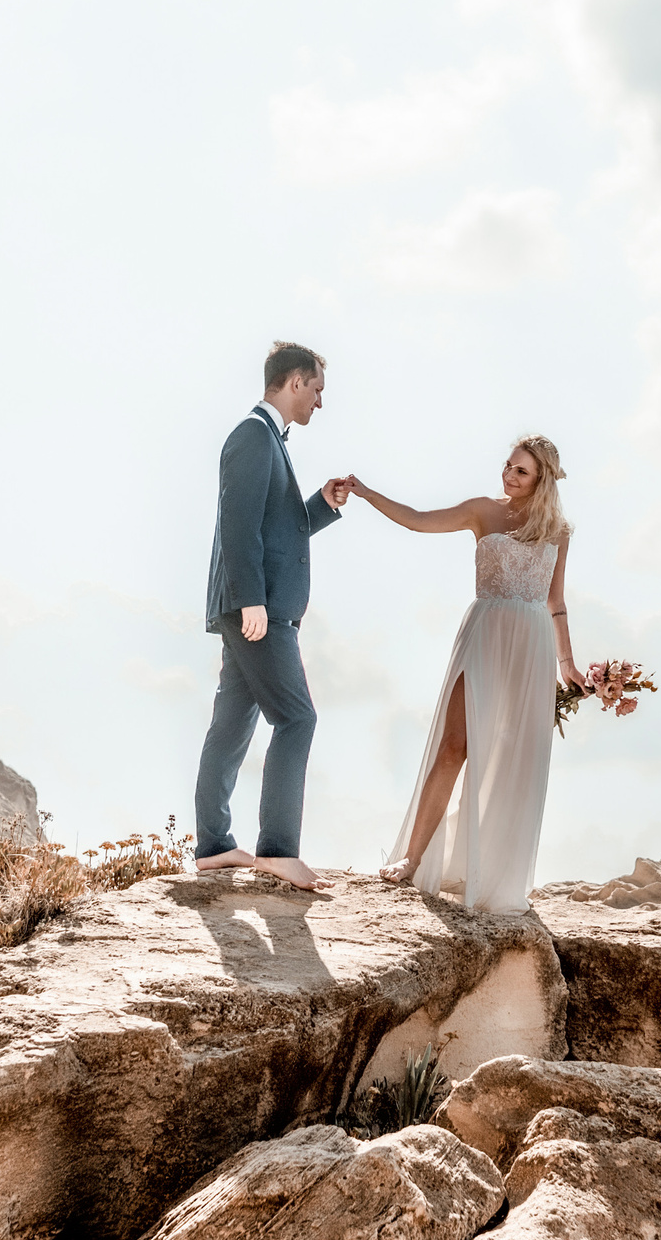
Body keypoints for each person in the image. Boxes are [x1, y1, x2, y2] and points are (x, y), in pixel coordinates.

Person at [340, 437, 583, 913]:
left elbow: (555, 602)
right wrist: (368, 494)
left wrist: (567, 664)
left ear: (542, 480)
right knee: (455, 746)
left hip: (531, 644)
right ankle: (411, 858)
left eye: (521, 472)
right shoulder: (480, 511)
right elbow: (418, 519)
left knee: (515, 759)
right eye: (508, 466)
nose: (508, 477)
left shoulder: (558, 531)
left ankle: (495, 876)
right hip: (486, 632)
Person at [193, 342, 350, 891]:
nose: (320, 404)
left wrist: (321, 506)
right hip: (257, 610)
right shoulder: (252, 436)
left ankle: (212, 846)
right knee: (297, 718)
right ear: (294, 382)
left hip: (253, 606)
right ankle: (279, 850)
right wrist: (252, 599)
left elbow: (276, 529)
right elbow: (238, 526)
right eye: (317, 391)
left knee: (233, 722)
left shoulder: (268, 441)